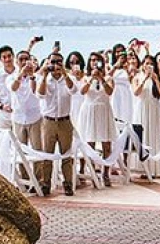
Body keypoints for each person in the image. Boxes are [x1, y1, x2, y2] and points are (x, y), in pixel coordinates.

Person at [38, 52, 76, 196]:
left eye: (59, 61)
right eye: (53, 62)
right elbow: (40, 94)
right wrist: (44, 76)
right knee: (47, 155)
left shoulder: (68, 78)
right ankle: (45, 183)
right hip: (49, 121)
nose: (56, 65)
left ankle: (68, 183)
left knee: (66, 155)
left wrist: (65, 73)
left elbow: (74, 90)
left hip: (64, 121)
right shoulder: (46, 79)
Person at [10, 49, 46, 194]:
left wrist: (31, 76)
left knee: (37, 149)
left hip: (34, 117)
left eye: (27, 59)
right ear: (17, 62)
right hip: (18, 118)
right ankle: (25, 180)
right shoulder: (12, 77)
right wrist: (21, 74)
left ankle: (38, 180)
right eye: (21, 60)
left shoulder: (36, 76)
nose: (24, 62)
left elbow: (35, 91)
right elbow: (13, 87)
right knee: (21, 150)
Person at [79, 52, 116, 186]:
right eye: (92, 60)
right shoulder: (85, 77)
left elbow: (110, 92)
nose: (94, 62)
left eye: (97, 60)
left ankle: (106, 172)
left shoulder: (109, 78)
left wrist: (101, 79)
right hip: (89, 110)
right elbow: (82, 91)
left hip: (104, 110)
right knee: (90, 143)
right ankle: (91, 171)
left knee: (106, 143)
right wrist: (91, 79)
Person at [132, 56, 160, 178]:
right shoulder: (137, 77)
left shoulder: (158, 77)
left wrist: (156, 80)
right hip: (142, 108)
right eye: (146, 63)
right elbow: (136, 92)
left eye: (151, 64)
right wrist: (145, 79)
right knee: (143, 137)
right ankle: (143, 168)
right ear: (142, 65)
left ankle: (154, 168)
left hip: (154, 109)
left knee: (154, 135)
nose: (149, 66)